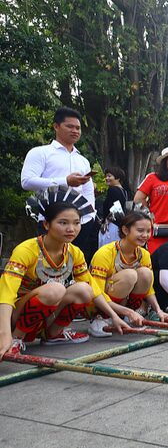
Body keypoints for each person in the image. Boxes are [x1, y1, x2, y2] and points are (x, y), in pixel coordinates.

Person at [0, 199, 128, 356]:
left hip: (47, 310)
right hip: (13, 315)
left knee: (83, 290)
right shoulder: (26, 250)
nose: (71, 229)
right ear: (47, 225)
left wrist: (114, 316)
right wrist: (3, 332)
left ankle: (54, 334)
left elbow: (93, 289)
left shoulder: (74, 252)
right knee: (55, 290)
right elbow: (6, 292)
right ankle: (15, 338)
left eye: (76, 223)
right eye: (63, 223)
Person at [20, 107, 99, 261]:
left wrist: (90, 216)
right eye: (69, 126)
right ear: (56, 126)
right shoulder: (40, 152)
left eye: (78, 128)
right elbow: (27, 181)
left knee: (75, 263)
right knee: (47, 261)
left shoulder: (82, 160)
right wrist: (65, 181)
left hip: (80, 223)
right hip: (50, 219)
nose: (75, 131)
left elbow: (87, 190)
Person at [88, 212, 164, 338]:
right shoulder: (105, 253)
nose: (145, 235)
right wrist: (125, 311)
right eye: (140, 230)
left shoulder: (144, 254)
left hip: (123, 306)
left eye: (148, 231)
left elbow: (149, 289)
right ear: (125, 230)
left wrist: (158, 310)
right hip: (99, 304)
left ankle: (127, 316)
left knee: (146, 274)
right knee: (129, 275)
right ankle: (102, 318)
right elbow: (96, 292)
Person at [98, 167, 131, 247]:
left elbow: (110, 208)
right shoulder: (124, 191)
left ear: (118, 177)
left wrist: (104, 222)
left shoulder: (112, 190)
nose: (107, 178)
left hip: (111, 224)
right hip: (119, 224)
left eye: (109, 176)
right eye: (106, 176)